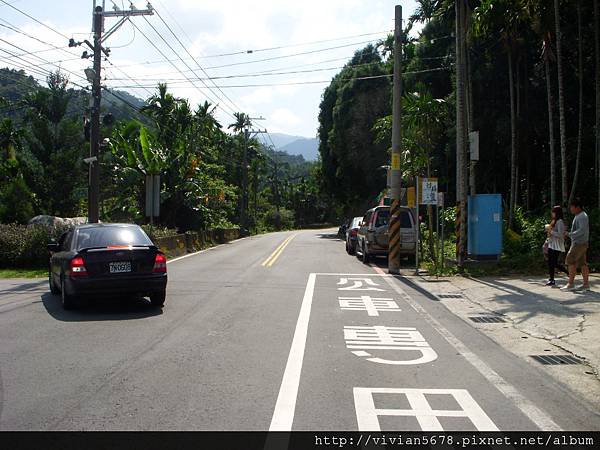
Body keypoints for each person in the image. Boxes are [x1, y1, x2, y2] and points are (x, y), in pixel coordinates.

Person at [561, 198, 590, 291]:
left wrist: (569, 234)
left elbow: (582, 230)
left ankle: (570, 284)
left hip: (579, 243)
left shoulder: (582, 216)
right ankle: (585, 285)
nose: (571, 209)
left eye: (572, 207)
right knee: (582, 263)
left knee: (570, 260)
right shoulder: (580, 215)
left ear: (577, 207)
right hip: (581, 243)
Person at [545, 205, 568, 286]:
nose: (552, 213)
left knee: (553, 263)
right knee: (550, 262)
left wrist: (551, 232)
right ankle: (551, 279)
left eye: (553, 212)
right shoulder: (554, 221)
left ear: (557, 213)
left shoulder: (560, 222)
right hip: (552, 244)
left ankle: (567, 272)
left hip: (557, 245)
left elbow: (561, 234)